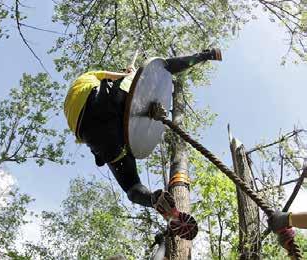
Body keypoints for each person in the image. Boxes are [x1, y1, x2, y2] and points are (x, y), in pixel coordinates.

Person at [64, 49, 222, 240]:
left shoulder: (76, 91)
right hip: (103, 101)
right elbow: (128, 76)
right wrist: (128, 73)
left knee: (132, 187)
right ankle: (205, 55)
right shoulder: (92, 76)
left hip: (94, 136)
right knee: (162, 69)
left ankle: (153, 200)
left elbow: (85, 128)